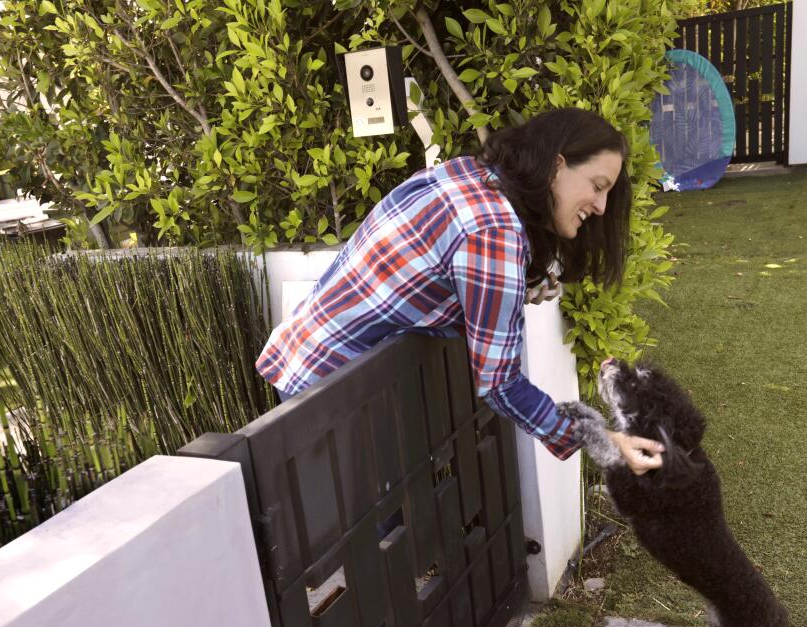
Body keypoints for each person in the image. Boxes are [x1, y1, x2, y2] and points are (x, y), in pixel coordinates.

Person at [256, 108, 663, 474]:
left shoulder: (471, 176)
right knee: (370, 541)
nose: (602, 206)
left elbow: (441, 271)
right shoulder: (495, 232)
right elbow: (500, 383)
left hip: (309, 360)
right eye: (598, 185)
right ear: (557, 166)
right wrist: (606, 442)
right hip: (330, 392)